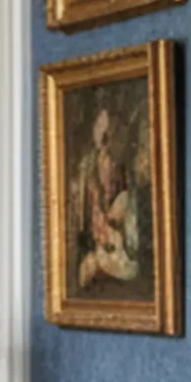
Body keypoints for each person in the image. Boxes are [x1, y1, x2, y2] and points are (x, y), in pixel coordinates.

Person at [74, 106, 141, 290]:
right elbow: (89, 217)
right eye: (100, 128)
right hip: (100, 240)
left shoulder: (122, 173)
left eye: (108, 130)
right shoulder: (88, 168)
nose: (104, 135)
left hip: (116, 244)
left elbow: (124, 214)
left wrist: (112, 224)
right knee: (86, 270)